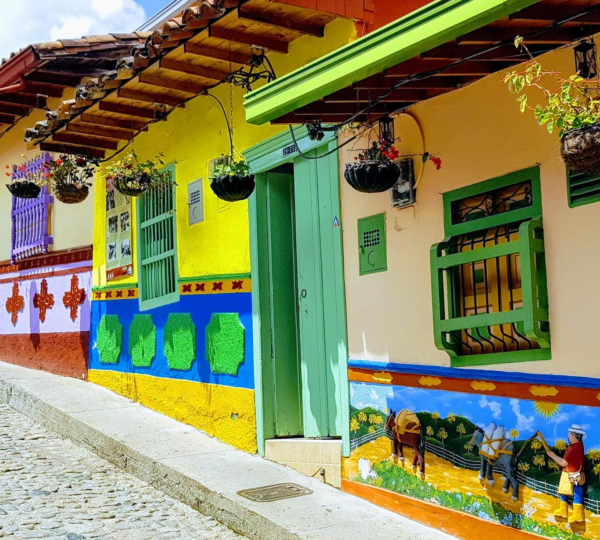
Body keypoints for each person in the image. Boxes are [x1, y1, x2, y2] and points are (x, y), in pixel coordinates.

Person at [547, 424, 586, 525]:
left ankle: (577, 514)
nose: (568, 436)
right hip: (573, 472)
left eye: (569, 434)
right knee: (565, 490)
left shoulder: (573, 448)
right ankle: (564, 511)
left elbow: (563, 463)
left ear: (574, 435)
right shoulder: (579, 445)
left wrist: (552, 455)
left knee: (576, 491)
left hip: (572, 473)